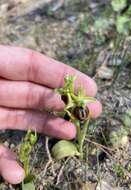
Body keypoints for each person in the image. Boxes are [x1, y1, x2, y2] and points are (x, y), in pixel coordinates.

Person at [0, 45, 102, 184]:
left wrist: (76, 101)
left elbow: (82, 101)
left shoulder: (79, 101)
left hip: (78, 105)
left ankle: (79, 147)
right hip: (74, 105)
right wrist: (67, 97)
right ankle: (77, 147)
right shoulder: (68, 98)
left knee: (79, 121)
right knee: (73, 125)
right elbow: (66, 102)